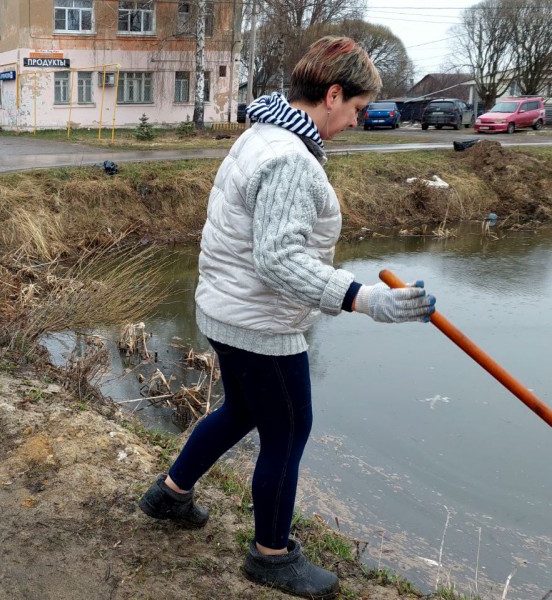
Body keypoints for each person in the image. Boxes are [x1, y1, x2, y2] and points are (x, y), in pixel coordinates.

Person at [138, 36, 436, 599]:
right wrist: (363, 298)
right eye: (355, 109)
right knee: (289, 432)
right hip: (261, 323)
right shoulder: (290, 159)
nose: (354, 120)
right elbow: (279, 260)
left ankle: (170, 494)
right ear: (331, 94)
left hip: (226, 307)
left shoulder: (261, 134)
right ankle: (272, 555)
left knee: (242, 411)